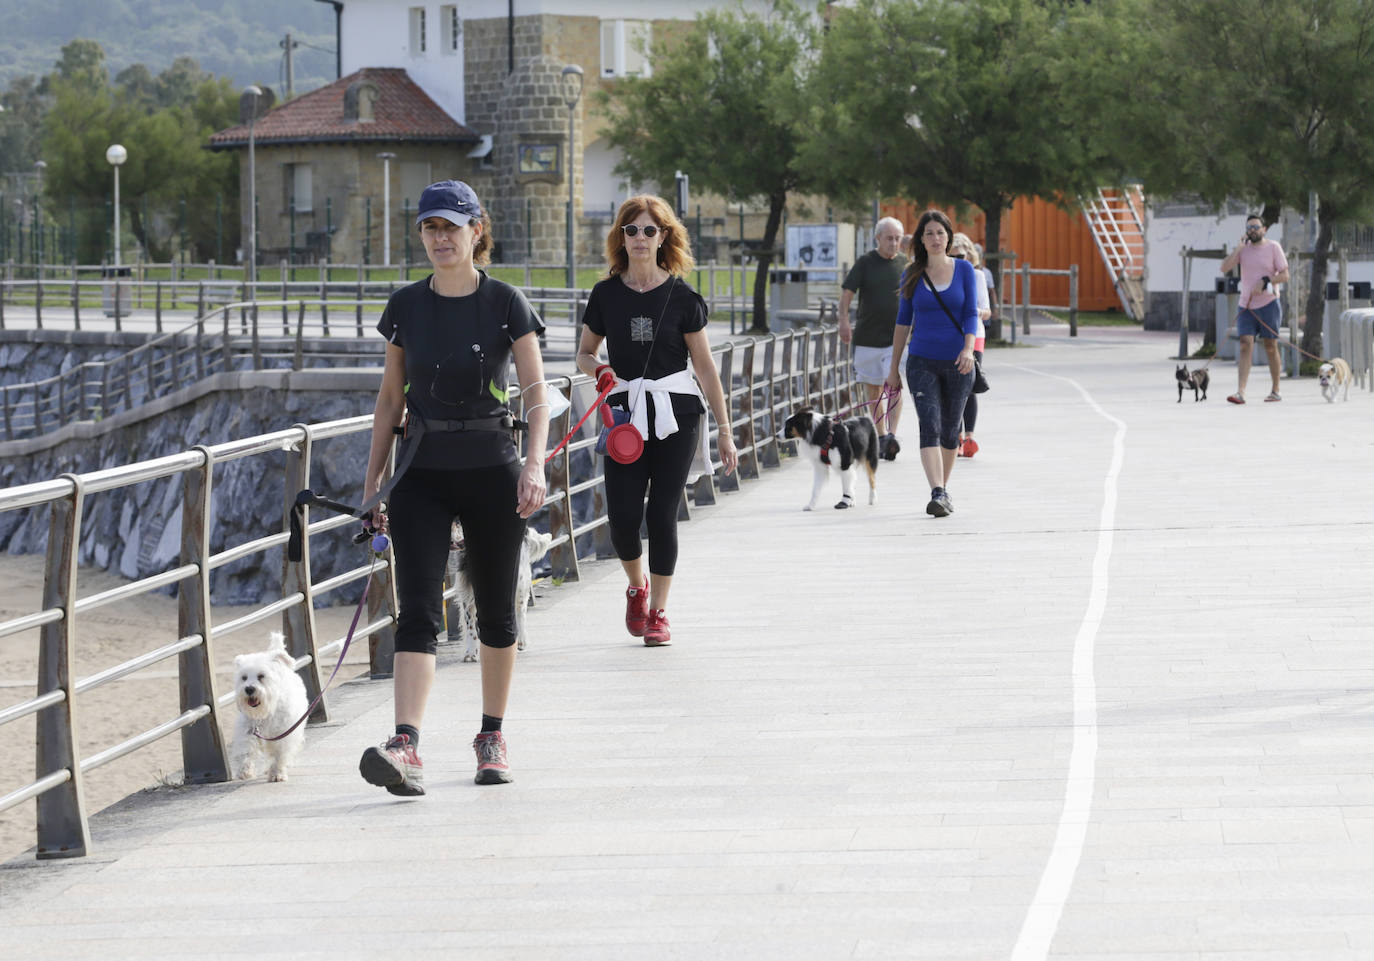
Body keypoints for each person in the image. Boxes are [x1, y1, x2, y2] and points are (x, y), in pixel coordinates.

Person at [357, 180, 550, 795]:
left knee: (496, 612)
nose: (440, 238)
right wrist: (374, 488)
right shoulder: (406, 306)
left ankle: (491, 736)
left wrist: (535, 465)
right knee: (416, 610)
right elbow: (390, 400)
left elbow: (538, 394)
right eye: (429, 228)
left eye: (451, 226)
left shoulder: (506, 302)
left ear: (476, 230)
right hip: (421, 472)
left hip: (493, 466)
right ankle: (406, 745)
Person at [576, 195, 738, 647]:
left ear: (664, 236)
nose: (640, 238)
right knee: (623, 520)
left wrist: (725, 430)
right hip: (625, 414)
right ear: (621, 237)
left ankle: (660, 613)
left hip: (676, 414)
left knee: (662, 513)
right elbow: (584, 353)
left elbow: (705, 368)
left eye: (650, 230)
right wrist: (600, 370)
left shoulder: (684, 297)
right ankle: (636, 586)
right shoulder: (606, 293)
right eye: (632, 230)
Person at [884, 210, 978, 517]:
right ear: (920, 240)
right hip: (921, 361)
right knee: (930, 425)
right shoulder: (911, 273)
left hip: (958, 362)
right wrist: (894, 367)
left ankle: (943, 491)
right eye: (929, 234)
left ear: (949, 236)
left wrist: (968, 349)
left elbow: (970, 314)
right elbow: (902, 321)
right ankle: (936, 490)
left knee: (951, 431)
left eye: (940, 233)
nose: (935, 239)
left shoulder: (964, 270)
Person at [838, 216, 908, 460]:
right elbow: (848, 292)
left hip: (897, 337)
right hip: (868, 336)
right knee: (874, 389)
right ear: (878, 238)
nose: (893, 242)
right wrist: (844, 320)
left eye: (897, 238)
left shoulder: (905, 264)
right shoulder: (866, 262)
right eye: (889, 238)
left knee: (895, 385)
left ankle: (892, 435)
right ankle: (880, 435)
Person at [1220, 214, 1290, 404]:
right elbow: (1224, 267)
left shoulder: (1274, 247)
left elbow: (1285, 275)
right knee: (1245, 344)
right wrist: (1238, 249)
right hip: (1246, 305)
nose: (1252, 231)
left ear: (1264, 229)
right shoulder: (1243, 250)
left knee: (1270, 346)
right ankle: (1240, 392)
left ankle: (1275, 390)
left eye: (1256, 227)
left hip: (1269, 304)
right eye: (1249, 228)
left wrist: (1266, 280)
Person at [951, 233, 991, 458]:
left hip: (974, 334)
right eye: (953, 255)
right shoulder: (945, 275)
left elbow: (987, 311)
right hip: (951, 335)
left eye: (962, 255)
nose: (958, 259)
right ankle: (954, 436)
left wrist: (971, 311)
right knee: (952, 386)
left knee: (969, 386)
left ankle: (969, 437)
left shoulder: (977, 276)